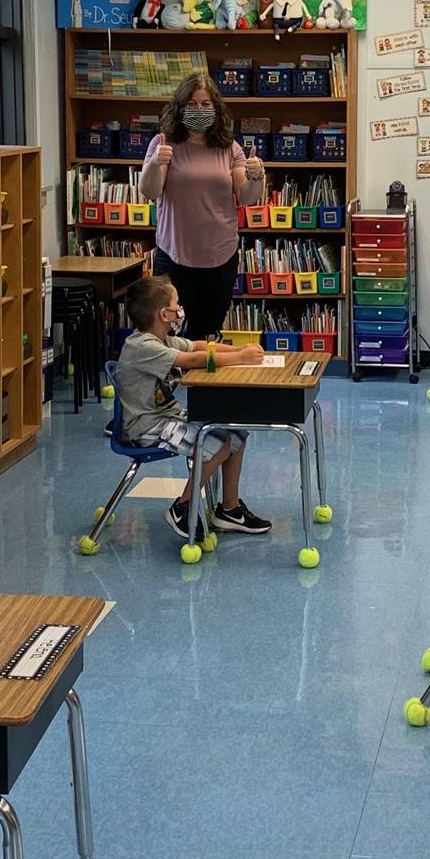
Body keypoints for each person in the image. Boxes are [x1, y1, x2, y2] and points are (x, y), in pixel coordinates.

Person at [116, 274, 270, 539]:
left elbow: (199, 345)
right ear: (164, 314)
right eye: (177, 304)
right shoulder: (142, 346)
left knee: (234, 433)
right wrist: (239, 358)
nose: (180, 309)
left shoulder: (162, 339)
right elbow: (194, 359)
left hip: (167, 417)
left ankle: (229, 509)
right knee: (215, 443)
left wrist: (239, 350)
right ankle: (183, 506)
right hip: (145, 427)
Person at [138, 72, 266, 339]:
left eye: (205, 105)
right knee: (167, 334)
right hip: (174, 256)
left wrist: (256, 175)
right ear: (180, 107)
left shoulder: (230, 148)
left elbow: (246, 196)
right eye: (192, 104)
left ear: (215, 108)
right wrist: (156, 163)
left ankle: (202, 383)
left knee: (207, 335)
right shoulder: (163, 144)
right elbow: (149, 191)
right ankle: (167, 382)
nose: (199, 110)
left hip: (219, 257)